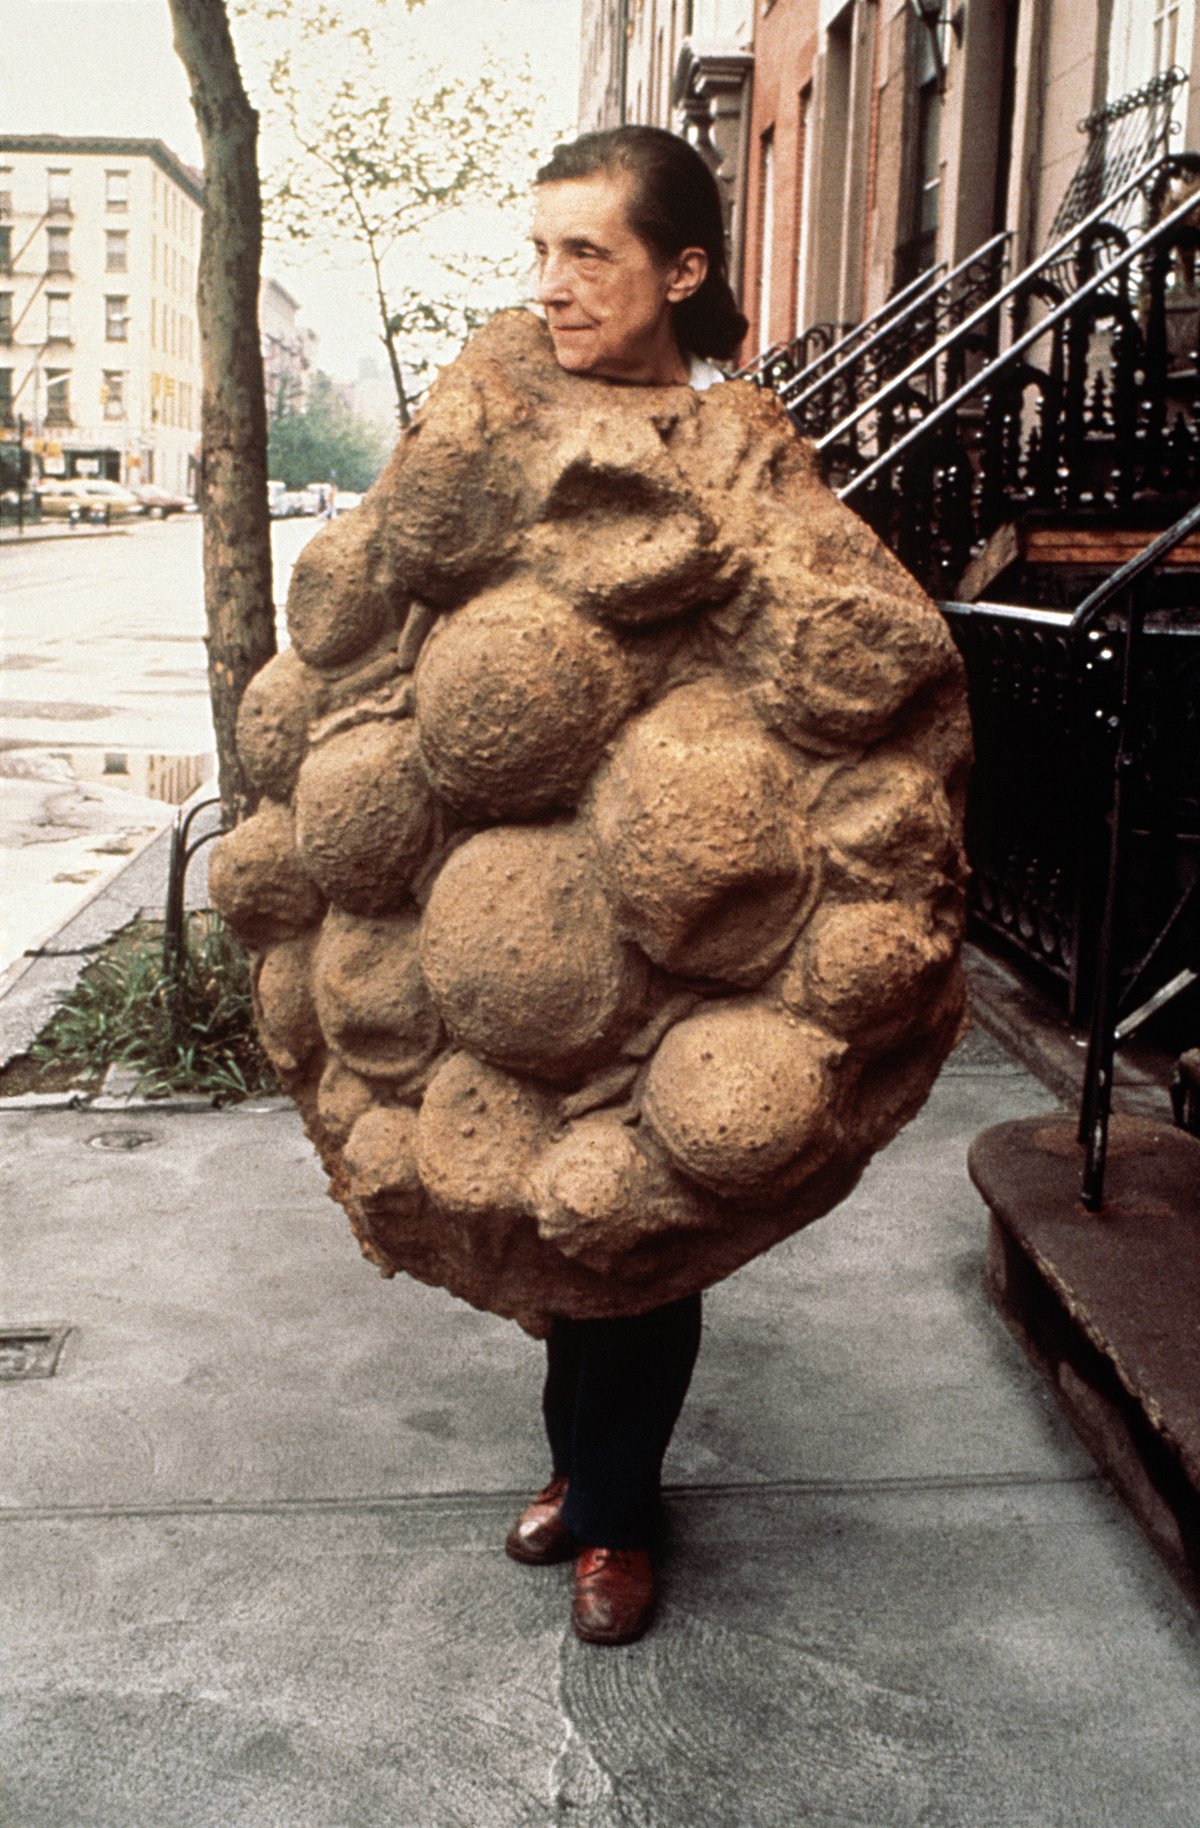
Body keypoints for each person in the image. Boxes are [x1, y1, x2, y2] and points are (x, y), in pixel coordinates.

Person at [503, 125, 749, 1647]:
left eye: (586, 253)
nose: (552, 285)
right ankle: (576, 1464)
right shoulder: (509, 413)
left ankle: (616, 1515)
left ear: (682, 269)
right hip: (528, 889)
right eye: (538, 253)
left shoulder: (738, 441)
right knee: (548, 1206)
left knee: (644, 1219)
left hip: (681, 893)